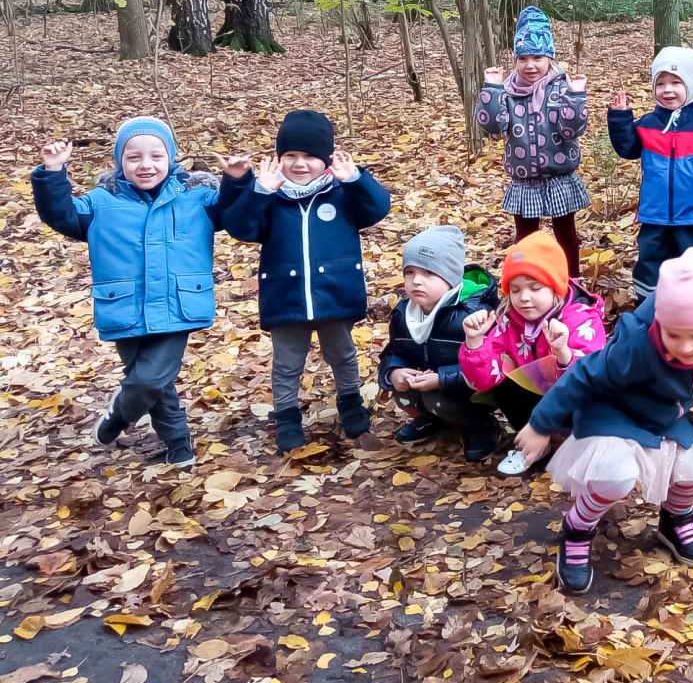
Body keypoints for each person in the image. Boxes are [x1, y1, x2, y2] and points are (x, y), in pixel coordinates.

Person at [511, 249, 693, 595]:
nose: (687, 347)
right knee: (614, 477)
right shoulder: (636, 345)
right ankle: (578, 527)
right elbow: (582, 375)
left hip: (665, 416)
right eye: (675, 335)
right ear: (661, 322)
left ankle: (675, 519)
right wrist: (540, 425)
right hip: (614, 413)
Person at [32, 118, 241, 467]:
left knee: (149, 378)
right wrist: (53, 172)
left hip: (178, 303)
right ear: (120, 162)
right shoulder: (101, 201)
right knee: (154, 383)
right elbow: (62, 215)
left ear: (171, 159)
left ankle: (118, 415)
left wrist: (237, 180)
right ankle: (177, 441)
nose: (146, 165)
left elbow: (231, 211)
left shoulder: (196, 198)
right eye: (134, 158)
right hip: (123, 304)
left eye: (156, 156)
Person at [222, 110, 391, 452]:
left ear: (326, 160)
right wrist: (257, 191)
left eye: (310, 156)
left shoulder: (341, 193)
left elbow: (377, 208)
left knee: (342, 354)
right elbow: (240, 227)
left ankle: (351, 403)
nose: (300, 164)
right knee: (287, 362)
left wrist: (354, 178)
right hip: (286, 295)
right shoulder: (271, 196)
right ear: (279, 159)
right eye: (291, 156)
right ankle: (286, 416)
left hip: (335, 293)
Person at [458, 230, 607, 464]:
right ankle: (540, 442)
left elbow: (592, 382)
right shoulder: (507, 319)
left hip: (576, 407)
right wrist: (475, 343)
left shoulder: (582, 320)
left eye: (535, 288)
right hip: (535, 403)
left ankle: (572, 443)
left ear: (555, 286)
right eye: (515, 290)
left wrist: (563, 354)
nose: (524, 298)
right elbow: (484, 380)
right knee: (503, 383)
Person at [607, 47, 693, 300]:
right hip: (654, 214)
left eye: (676, 83)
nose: (667, 90)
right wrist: (620, 118)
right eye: (661, 83)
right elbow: (628, 148)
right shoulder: (649, 123)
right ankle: (649, 307)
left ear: (691, 83)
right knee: (650, 260)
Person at [475, 6, 591, 278]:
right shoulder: (507, 90)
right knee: (526, 238)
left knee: (566, 236)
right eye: (523, 58)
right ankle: (528, 281)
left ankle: (571, 282)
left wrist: (576, 96)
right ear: (515, 59)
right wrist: (491, 89)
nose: (530, 65)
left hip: (559, 176)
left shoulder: (562, 86)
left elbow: (571, 130)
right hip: (524, 179)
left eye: (537, 57)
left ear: (549, 57)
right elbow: (493, 125)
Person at [378, 225, 505, 462]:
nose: (416, 281)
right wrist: (394, 371)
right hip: (426, 381)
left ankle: (482, 426)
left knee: (437, 399)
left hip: (469, 389)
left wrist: (441, 378)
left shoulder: (472, 313)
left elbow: (490, 364)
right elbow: (393, 351)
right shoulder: (403, 313)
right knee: (405, 394)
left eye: (428, 273)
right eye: (410, 272)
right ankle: (434, 420)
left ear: (450, 276)